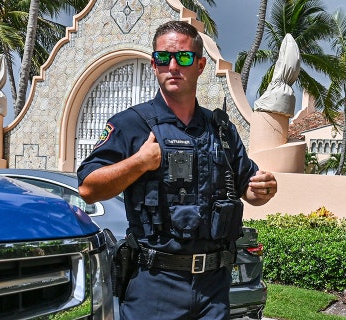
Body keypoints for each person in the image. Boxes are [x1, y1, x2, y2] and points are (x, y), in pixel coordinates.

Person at [77, 20, 276, 320]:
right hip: (156, 285)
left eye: (183, 58)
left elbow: (248, 187)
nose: (172, 66)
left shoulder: (221, 130)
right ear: (154, 65)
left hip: (214, 288)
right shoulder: (132, 124)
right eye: (162, 58)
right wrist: (139, 162)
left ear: (200, 65)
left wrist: (262, 189)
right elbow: (88, 188)